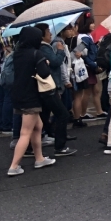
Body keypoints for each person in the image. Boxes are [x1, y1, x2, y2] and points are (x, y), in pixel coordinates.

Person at [6, 27, 57, 176]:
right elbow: (44, 73)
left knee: (37, 126)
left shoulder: (17, 54)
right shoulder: (36, 54)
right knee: (25, 132)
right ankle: (14, 166)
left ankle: (39, 158)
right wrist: (45, 63)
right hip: (31, 96)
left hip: (18, 94)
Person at [36, 23, 74, 156]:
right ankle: (60, 146)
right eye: (47, 31)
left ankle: (36, 140)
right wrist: (60, 50)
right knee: (62, 113)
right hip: (50, 86)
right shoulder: (45, 48)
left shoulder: (43, 47)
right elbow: (56, 62)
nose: (50, 33)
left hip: (49, 85)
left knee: (43, 115)